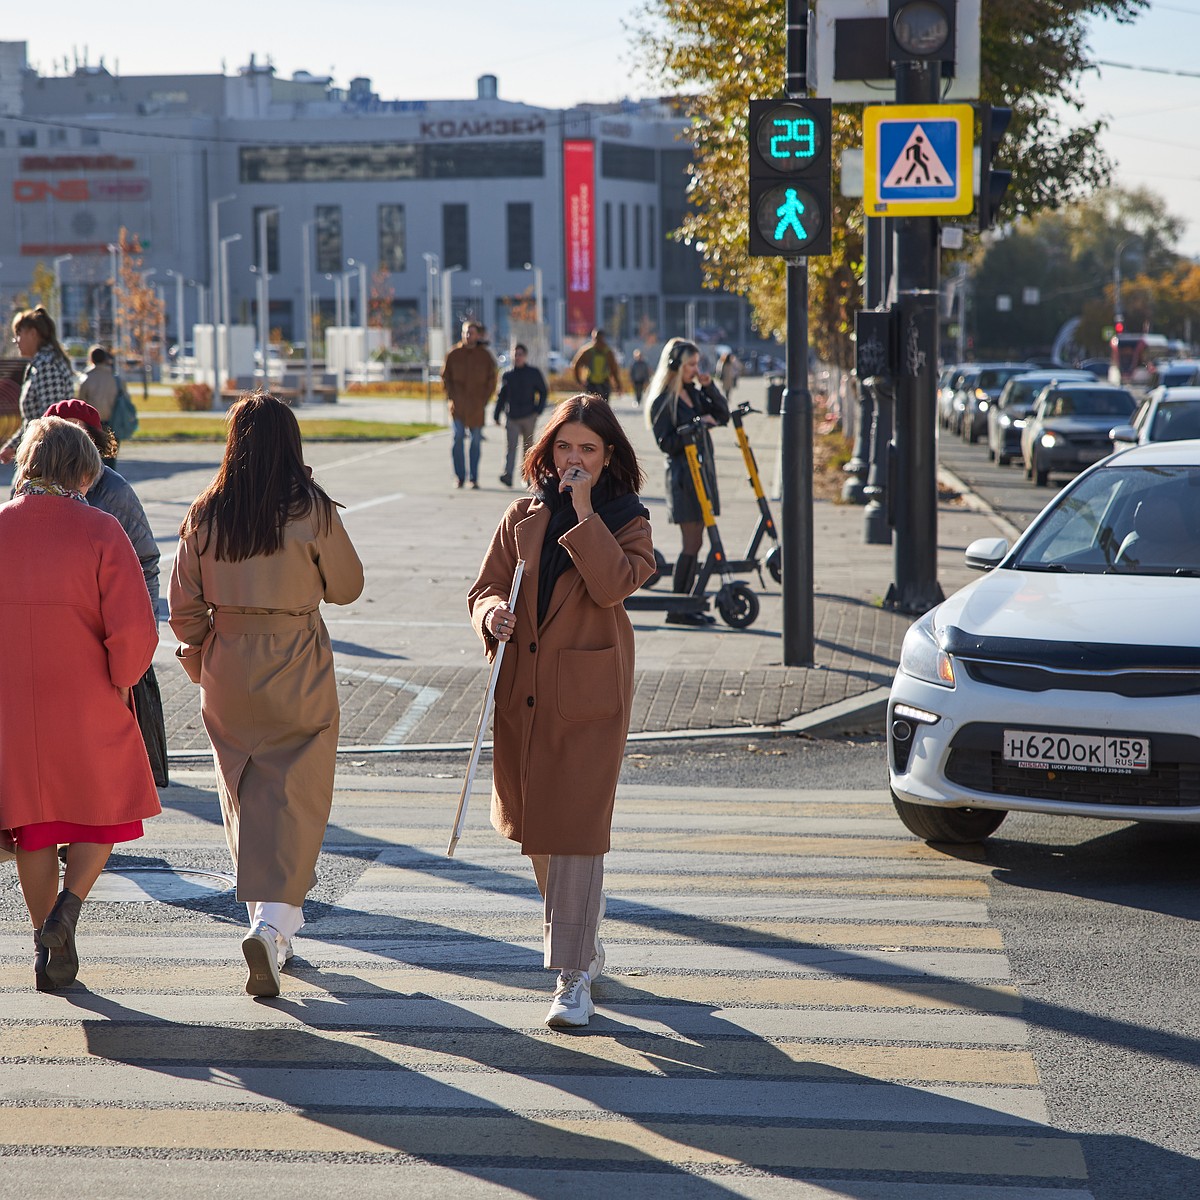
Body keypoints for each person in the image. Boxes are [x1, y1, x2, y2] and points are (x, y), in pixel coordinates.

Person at [168, 393, 365, 997]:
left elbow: (181, 609)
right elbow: (349, 587)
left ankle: (273, 926)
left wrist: (206, 649)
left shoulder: (204, 512)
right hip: (296, 658)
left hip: (228, 661)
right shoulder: (311, 510)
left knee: (245, 794)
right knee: (297, 797)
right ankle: (271, 927)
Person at [468, 394, 655, 1028]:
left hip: (588, 696)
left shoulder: (628, 519)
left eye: (589, 450)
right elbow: (485, 587)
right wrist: (492, 615)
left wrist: (582, 516)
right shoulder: (520, 515)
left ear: (608, 459)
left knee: (574, 831)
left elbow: (613, 586)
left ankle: (571, 976)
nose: (574, 460)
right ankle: (583, 943)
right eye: (565, 447)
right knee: (540, 834)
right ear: (546, 452)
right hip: (523, 690)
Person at [0, 417, 160, 991]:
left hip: (12, 702)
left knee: (33, 826)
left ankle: (43, 939)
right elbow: (136, 630)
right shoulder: (101, 530)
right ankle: (67, 912)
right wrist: (122, 679)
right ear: (82, 468)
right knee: (110, 805)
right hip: (89, 691)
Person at [45, 398, 169, 788]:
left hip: (103, 637)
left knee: (104, 750)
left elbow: (146, 561)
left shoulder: (114, 492)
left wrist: (142, 639)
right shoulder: (31, 487)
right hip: (51, 636)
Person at [647, 337, 730, 626]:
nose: (695, 370)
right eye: (690, 365)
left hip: (702, 473)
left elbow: (722, 415)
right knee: (691, 543)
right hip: (683, 478)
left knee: (698, 541)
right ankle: (678, 607)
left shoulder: (694, 393)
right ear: (675, 365)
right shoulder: (662, 401)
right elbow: (665, 442)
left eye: (697, 364)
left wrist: (709, 387)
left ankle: (687, 603)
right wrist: (692, 428)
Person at [0, 307, 76, 465]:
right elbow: (33, 419)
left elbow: (52, 420)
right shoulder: (40, 364)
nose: (16, 341)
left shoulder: (46, 365)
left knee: (20, 490)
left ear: (32, 333)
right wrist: (13, 446)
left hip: (49, 456)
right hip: (43, 452)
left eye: (18, 334)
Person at [442, 320, 498, 489]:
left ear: (477, 335)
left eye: (471, 333)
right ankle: (459, 476)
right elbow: (445, 378)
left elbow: (492, 379)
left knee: (475, 441)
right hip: (457, 406)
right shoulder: (453, 354)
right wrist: (451, 397)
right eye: (465, 332)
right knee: (457, 437)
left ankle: (473, 477)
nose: (468, 336)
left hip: (476, 407)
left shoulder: (485, 356)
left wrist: (484, 399)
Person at [494, 343, 549, 487]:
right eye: (515, 354)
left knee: (528, 448)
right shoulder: (507, 374)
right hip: (512, 417)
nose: (517, 357)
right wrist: (496, 414)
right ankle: (508, 475)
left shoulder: (533, 373)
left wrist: (538, 410)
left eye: (520, 354)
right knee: (511, 447)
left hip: (529, 415)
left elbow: (543, 391)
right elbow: (501, 396)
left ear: (525, 356)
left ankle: (527, 477)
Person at [570, 328, 623, 403]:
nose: (598, 342)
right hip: (591, 383)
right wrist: (579, 380)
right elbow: (576, 365)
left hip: (604, 383)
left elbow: (614, 369)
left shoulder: (608, 352)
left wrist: (618, 385)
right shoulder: (587, 351)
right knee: (592, 406)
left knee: (602, 406)